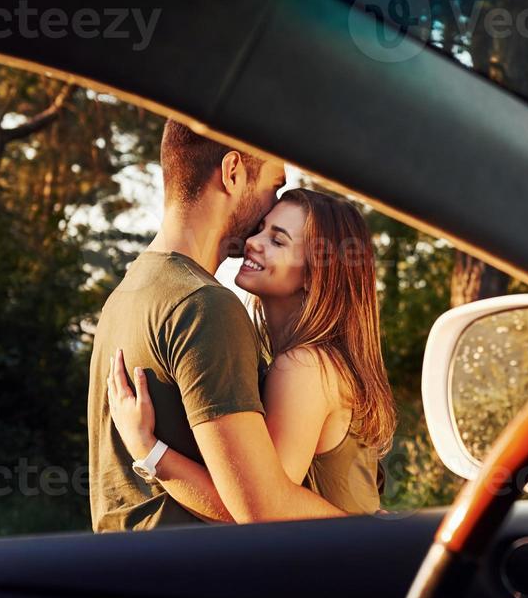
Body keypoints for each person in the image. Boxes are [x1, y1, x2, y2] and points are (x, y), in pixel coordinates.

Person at [88, 120, 346, 530]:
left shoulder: (125, 294)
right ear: (232, 173)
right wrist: (371, 529)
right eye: (273, 187)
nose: (272, 204)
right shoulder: (203, 305)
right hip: (192, 578)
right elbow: (259, 508)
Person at [107, 188, 395, 515]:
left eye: (278, 240)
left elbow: (263, 512)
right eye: (261, 229)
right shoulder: (312, 361)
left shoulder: (306, 367)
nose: (253, 242)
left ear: (316, 273)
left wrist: (148, 449)